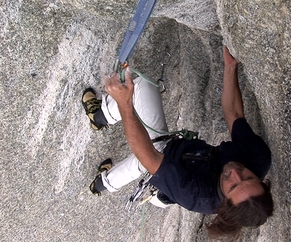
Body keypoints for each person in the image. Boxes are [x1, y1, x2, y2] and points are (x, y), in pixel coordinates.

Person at [82, 46, 274, 238]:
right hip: (183, 161)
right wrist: (230, 67)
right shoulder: (258, 157)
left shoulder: (197, 195)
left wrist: (125, 104)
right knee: (150, 157)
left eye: (233, 186)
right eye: (249, 177)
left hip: (169, 164)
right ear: (260, 180)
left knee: (143, 95)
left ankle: (99, 127)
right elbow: (234, 113)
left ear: (225, 202)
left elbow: (148, 156)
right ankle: (102, 182)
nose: (235, 173)